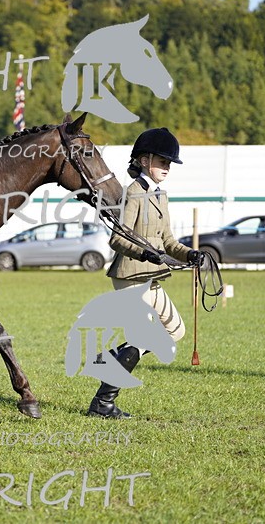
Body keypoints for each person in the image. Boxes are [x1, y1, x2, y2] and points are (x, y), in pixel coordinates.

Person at [87, 127, 202, 419]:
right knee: (143, 335)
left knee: (176, 330)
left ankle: (109, 360)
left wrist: (190, 254)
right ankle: (103, 404)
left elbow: (169, 242)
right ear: (144, 160)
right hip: (128, 277)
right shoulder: (132, 195)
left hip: (151, 277)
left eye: (168, 163)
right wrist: (145, 252)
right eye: (162, 161)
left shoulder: (161, 196)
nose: (166, 168)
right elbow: (117, 239)